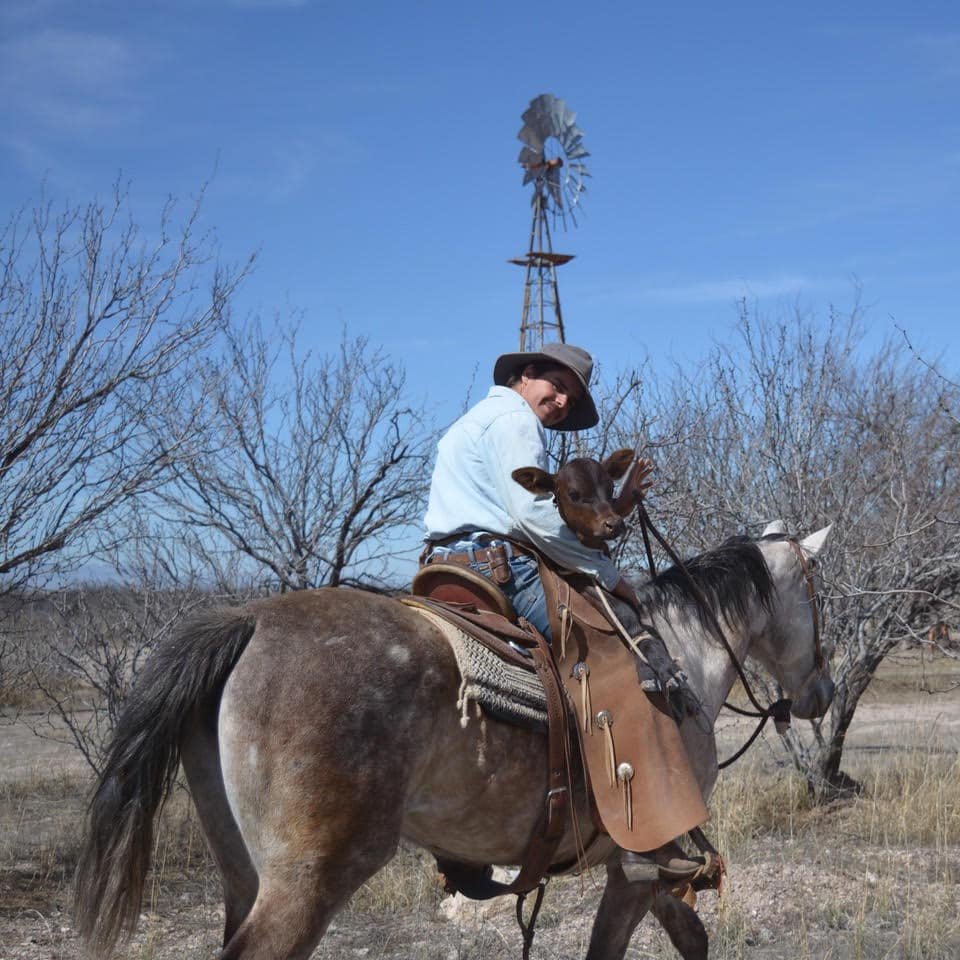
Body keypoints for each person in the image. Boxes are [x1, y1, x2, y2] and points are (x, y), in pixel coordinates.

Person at [422, 342, 704, 882]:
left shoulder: (468, 424)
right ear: (527, 374)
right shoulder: (515, 418)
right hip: (501, 567)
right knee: (626, 661)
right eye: (556, 386)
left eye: (569, 398)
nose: (559, 401)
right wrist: (609, 577)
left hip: (442, 568)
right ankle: (646, 834)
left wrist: (617, 508)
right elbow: (531, 516)